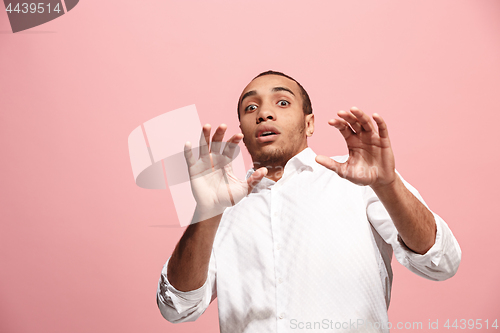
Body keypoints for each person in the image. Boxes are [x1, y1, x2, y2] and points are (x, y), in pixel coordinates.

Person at [156, 70, 461, 333]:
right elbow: (178, 307)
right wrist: (207, 212)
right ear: (244, 135)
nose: (264, 113)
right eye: (251, 107)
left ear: (310, 123)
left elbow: (441, 262)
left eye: (283, 102)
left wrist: (388, 183)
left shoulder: (361, 180)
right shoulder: (221, 206)